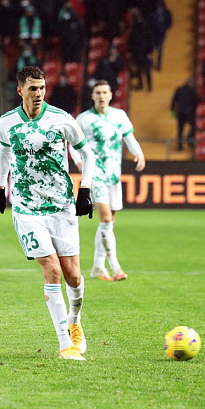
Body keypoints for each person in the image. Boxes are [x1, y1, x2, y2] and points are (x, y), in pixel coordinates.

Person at [0, 66, 95, 361]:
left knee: (73, 275)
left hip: (61, 206)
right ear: (20, 91)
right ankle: (65, 345)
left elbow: (87, 155)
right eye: (33, 88)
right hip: (26, 208)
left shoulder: (62, 119)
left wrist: (85, 190)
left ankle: (75, 322)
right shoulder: (7, 122)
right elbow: (4, 152)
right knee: (52, 270)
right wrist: (1, 187)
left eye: (42, 88)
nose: (38, 93)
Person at [69, 80, 145, 281]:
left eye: (105, 92)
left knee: (109, 223)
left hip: (113, 175)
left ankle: (97, 267)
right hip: (95, 175)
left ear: (111, 95)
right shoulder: (83, 119)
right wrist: (79, 162)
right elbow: (72, 144)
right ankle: (115, 267)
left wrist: (139, 154)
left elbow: (129, 138)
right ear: (92, 96)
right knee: (105, 219)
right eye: (98, 93)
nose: (101, 96)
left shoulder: (119, 116)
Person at [170, 78, 197, 151]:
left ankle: (179, 146)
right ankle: (189, 137)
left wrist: (172, 110)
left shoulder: (179, 89)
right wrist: (194, 111)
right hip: (189, 112)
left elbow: (174, 100)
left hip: (180, 112)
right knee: (194, 125)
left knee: (180, 129)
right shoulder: (193, 90)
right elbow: (195, 101)